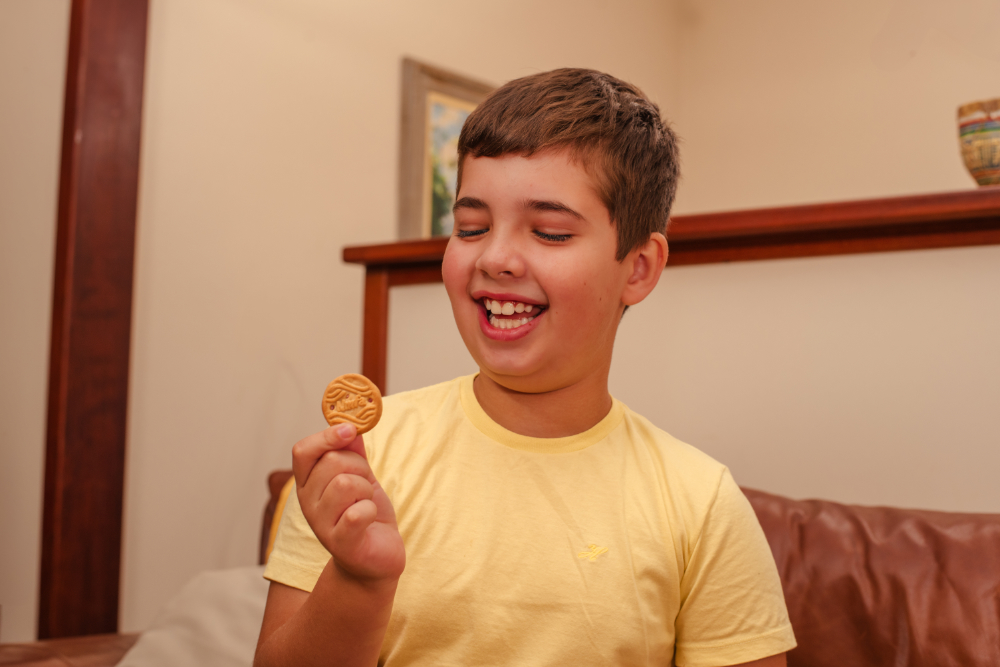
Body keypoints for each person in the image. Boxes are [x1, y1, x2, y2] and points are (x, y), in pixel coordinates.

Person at [253, 68, 796, 667]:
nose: (497, 257)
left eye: (551, 232)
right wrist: (359, 580)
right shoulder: (363, 460)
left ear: (638, 267)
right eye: (471, 228)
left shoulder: (700, 502)